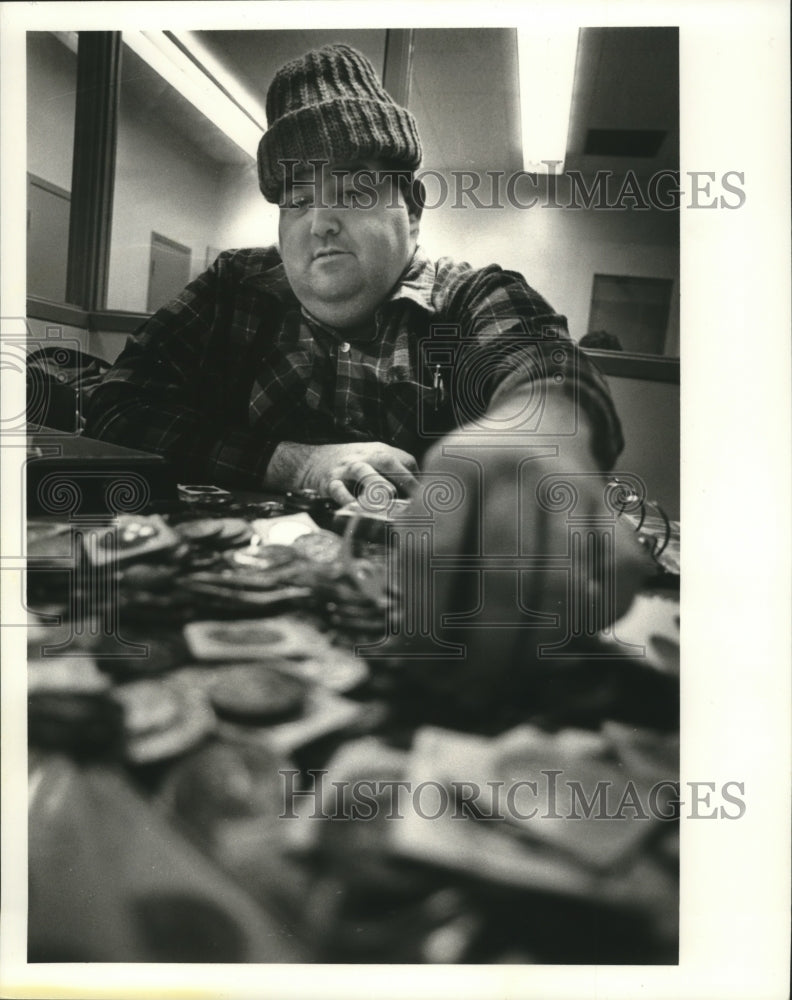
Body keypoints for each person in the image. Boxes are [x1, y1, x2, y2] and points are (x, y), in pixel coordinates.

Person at [86, 44, 649, 681]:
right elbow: (114, 403)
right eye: (296, 200)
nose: (320, 221)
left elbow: (546, 368)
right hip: (225, 642)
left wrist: (536, 439)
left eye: (350, 190)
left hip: (425, 646)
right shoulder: (231, 291)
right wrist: (293, 461)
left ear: (410, 207)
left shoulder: (467, 296)